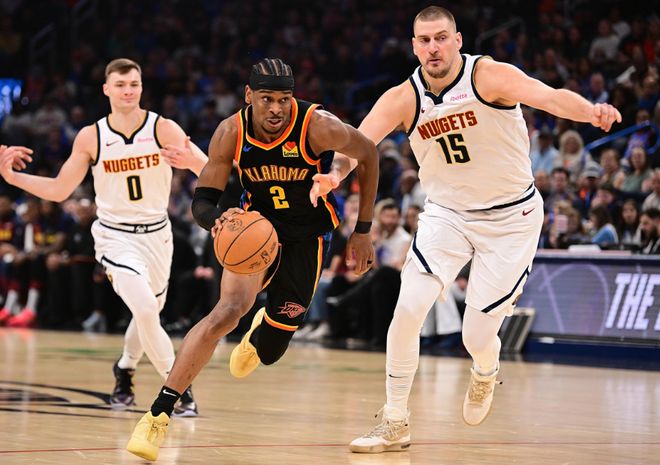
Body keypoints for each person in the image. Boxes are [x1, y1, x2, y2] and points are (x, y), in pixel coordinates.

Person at [311, 6, 621, 453]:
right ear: (414, 46)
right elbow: (357, 142)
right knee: (407, 310)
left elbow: (550, 96)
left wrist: (592, 111)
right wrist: (334, 175)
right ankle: (395, 420)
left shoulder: (488, 76)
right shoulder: (403, 97)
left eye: (441, 38)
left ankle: (486, 370)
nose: (433, 47)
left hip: (510, 218)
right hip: (448, 214)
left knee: (475, 335)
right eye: (424, 40)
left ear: (457, 40)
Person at [126, 57, 379, 461]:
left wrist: (362, 229)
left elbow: (368, 152)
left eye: (283, 99)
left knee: (272, 351)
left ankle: (262, 332)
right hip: (256, 231)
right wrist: (216, 219)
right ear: (249, 96)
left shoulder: (318, 126)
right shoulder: (230, 132)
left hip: (308, 236)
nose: (276, 108)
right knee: (225, 313)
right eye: (266, 99)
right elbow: (203, 199)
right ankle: (158, 413)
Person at [0, 59, 208, 415]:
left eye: (134, 84)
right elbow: (59, 189)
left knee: (148, 314)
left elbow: (211, 171)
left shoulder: (164, 128)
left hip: (158, 236)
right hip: (115, 237)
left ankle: (125, 368)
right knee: (146, 309)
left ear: (141, 87)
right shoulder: (92, 136)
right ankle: (178, 390)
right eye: (121, 84)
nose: (128, 91)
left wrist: (191, 162)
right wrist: (12, 178)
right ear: (106, 89)